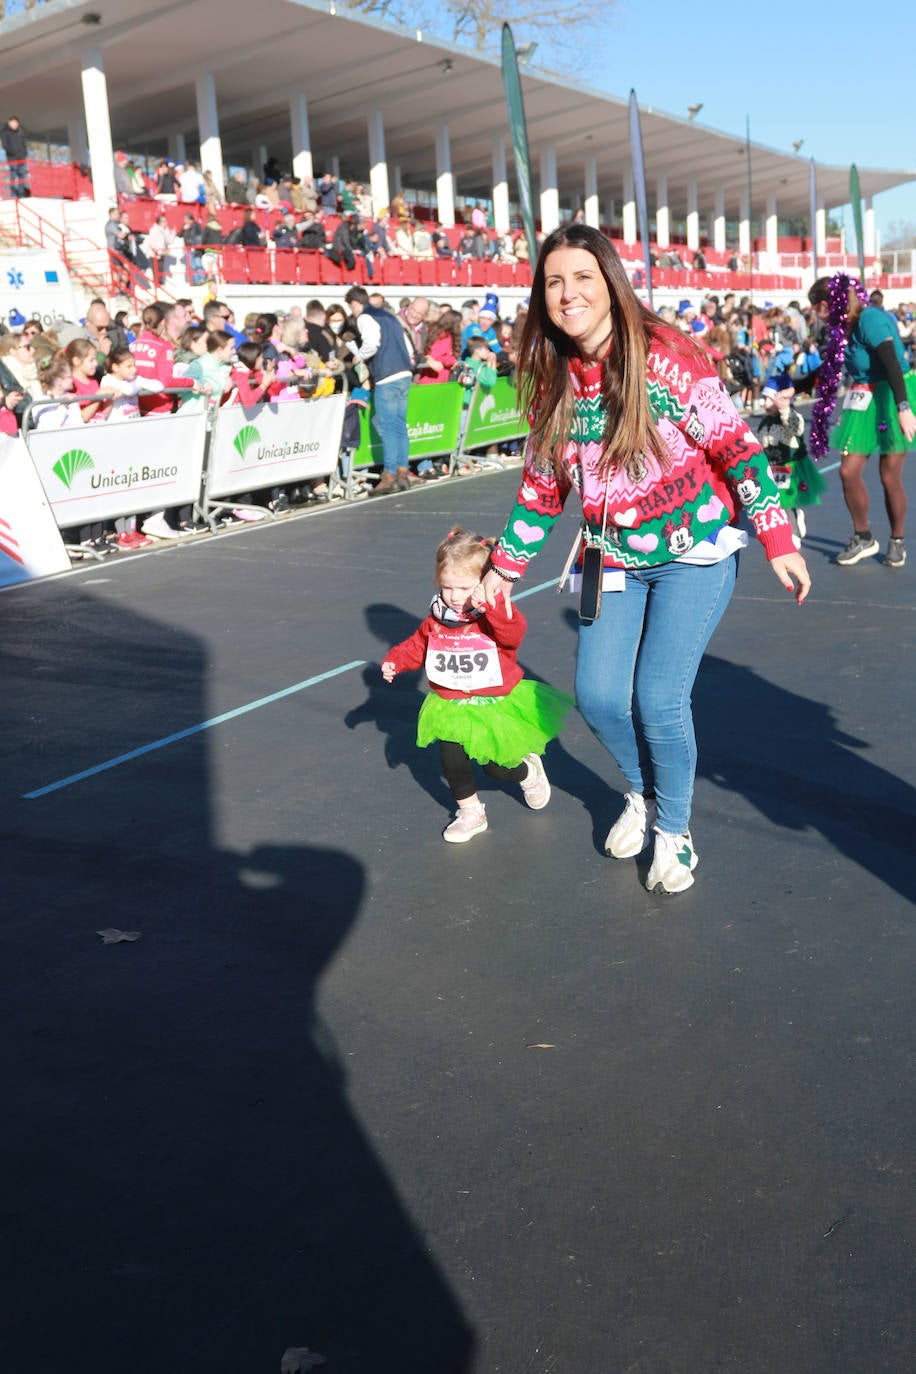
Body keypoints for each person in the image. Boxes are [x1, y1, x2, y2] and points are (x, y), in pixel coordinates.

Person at [478, 224, 810, 894]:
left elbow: (735, 447)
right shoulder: (553, 385)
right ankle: (644, 793)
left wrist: (777, 536)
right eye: (553, 282)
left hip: (695, 550)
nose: (567, 294)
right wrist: (502, 567)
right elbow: (543, 490)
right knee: (599, 698)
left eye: (581, 278)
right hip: (614, 558)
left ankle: (675, 833)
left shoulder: (666, 358)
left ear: (610, 283)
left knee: (659, 698)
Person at [381, 527, 574, 843]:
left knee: (498, 768)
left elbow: (513, 634)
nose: (455, 596)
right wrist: (395, 660)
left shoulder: (493, 614)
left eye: (464, 588)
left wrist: (493, 607)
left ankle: (528, 771)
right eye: (447, 587)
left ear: (483, 584)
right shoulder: (438, 617)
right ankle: (471, 812)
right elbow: (418, 645)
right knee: (452, 762)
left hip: (493, 704)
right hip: (451, 703)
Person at [808, 273, 916, 568]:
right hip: (863, 397)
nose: (815, 314)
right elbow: (830, 372)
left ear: (827, 304)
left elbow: (893, 362)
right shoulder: (843, 330)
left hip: (894, 394)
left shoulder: (870, 319)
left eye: (816, 307)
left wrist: (904, 407)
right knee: (848, 471)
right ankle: (864, 536)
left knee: (889, 476)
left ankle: (897, 541)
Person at [344, 284, 416, 496]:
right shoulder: (390, 316)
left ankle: (389, 475)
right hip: (404, 372)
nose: (353, 312)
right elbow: (409, 346)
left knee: (388, 427)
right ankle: (403, 473)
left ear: (356, 303)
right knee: (400, 425)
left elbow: (372, 344)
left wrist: (360, 356)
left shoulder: (365, 317)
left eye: (352, 307)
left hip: (387, 375)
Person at [757, 374, 825, 545]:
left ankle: (793, 532)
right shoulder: (764, 422)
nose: (765, 404)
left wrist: (785, 408)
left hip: (790, 466)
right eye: (764, 399)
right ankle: (796, 514)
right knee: (779, 502)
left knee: (785, 501)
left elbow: (794, 428)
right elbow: (762, 442)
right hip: (773, 466)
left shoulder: (792, 417)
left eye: (770, 399)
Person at [1, 116, 30, 197]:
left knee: (22, 175)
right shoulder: (5, 132)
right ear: (9, 123)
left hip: (21, 158)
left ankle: (21, 194)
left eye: (16, 123)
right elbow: (5, 145)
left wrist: (24, 153)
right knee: (13, 174)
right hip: (12, 158)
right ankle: (13, 194)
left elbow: (24, 143)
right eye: (13, 122)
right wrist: (12, 152)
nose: (14, 124)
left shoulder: (20, 132)